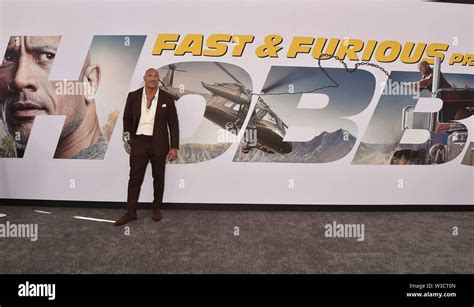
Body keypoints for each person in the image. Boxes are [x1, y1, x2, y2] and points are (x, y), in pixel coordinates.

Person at [0, 35, 106, 159]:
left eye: (48, 56)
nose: (20, 80)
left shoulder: (111, 175)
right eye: (7, 58)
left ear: (89, 83)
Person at [114, 68, 179, 226]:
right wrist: (128, 139)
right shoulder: (133, 96)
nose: (153, 78)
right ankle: (131, 212)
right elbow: (127, 118)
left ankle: (156, 208)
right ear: (144, 78)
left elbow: (173, 124)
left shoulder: (167, 98)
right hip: (139, 142)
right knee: (135, 178)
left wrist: (174, 146)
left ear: (158, 80)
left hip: (159, 143)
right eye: (150, 76)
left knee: (158, 178)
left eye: (156, 76)